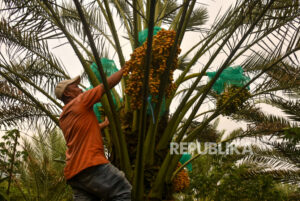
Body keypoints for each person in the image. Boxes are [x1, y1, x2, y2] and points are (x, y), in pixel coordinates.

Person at [55, 69, 132, 201]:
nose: (80, 90)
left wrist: (104, 124)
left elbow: (81, 132)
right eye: (76, 87)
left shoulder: (63, 117)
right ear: (67, 93)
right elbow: (105, 86)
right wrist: (125, 69)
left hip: (75, 174)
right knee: (122, 190)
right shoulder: (80, 101)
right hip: (91, 164)